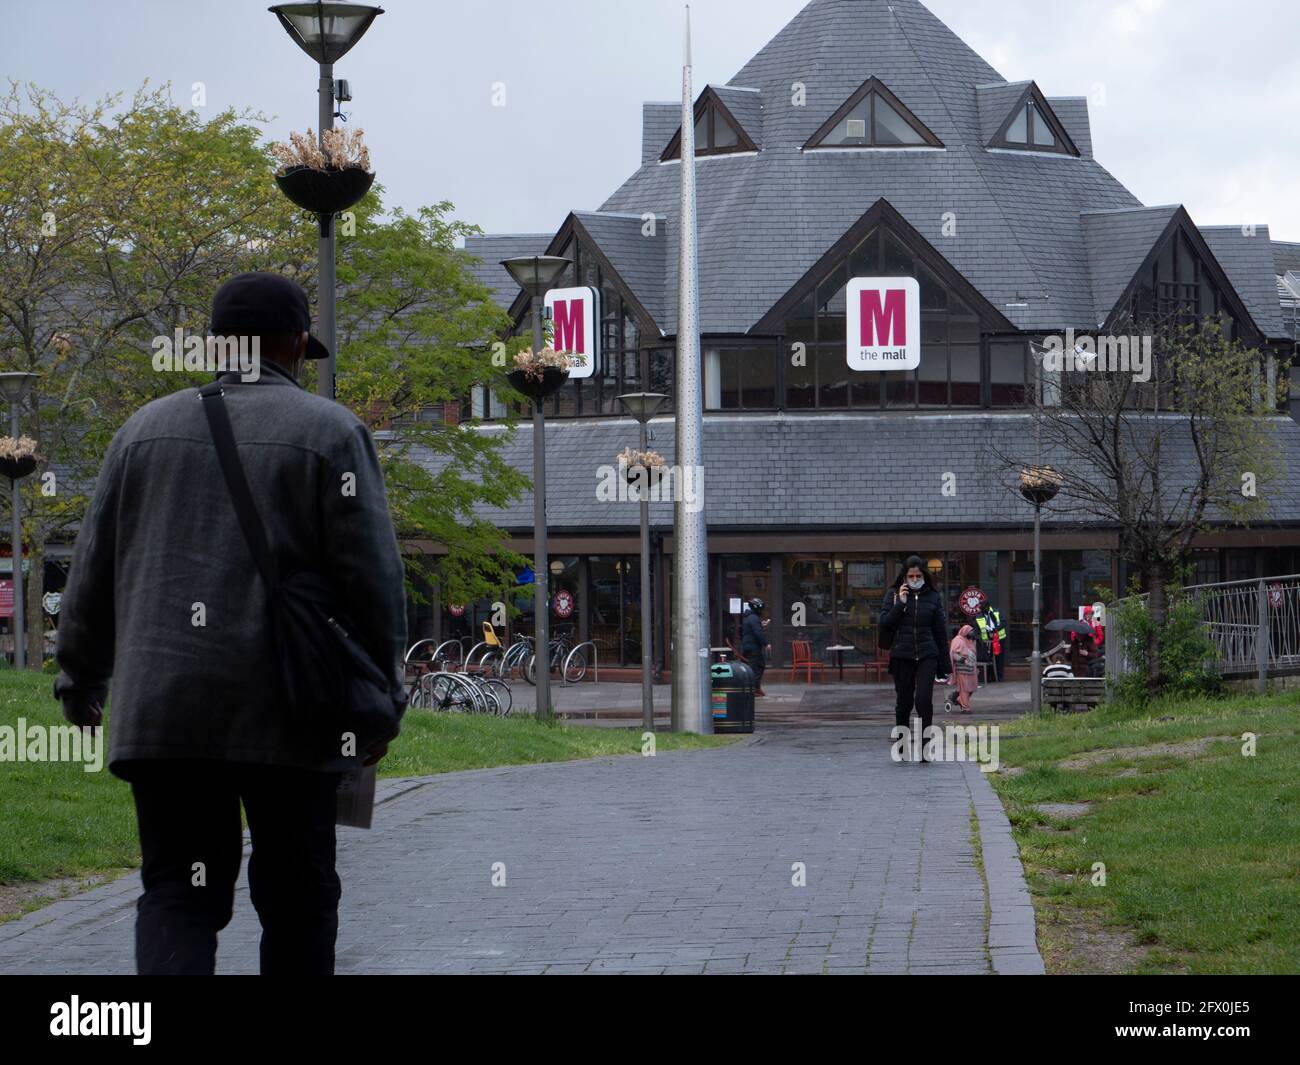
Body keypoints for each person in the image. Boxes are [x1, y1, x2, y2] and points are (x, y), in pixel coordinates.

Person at [53, 273, 408, 976]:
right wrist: (382, 697)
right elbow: (372, 577)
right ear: (299, 344)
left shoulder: (140, 432)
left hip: (166, 712)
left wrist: (80, 676)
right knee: (298, 896)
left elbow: (92, 569)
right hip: (292, 708)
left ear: (214, 345)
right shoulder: (331, 432)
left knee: (177, 894)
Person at [879, 556, 951, 762]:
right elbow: (884, 623)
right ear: (904, 577)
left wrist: (945, 665)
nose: (914, 579)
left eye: (918, 575)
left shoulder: (933, 597)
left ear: (924, 576)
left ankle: (925, 749)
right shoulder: (893, 595)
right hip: (902, 655)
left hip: (928, 654)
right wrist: (900, 604)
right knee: (904, 703)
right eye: (910, 576)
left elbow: (939, 631)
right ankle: (901, 747)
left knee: (924, 700)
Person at [946, 624, 979, 714]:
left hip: (971, 668)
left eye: (972, 631)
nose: (972, 633)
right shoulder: (958, 640)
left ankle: (958, 698)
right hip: (962, 669)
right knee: (964, 689)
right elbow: (953, 653)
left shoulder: (970, 641)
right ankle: (965, 708)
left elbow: (973, 654)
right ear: (965, 631)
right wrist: (961, 659)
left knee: (971, 688)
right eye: (970, 631)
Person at [741, 597, 770, 696]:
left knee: (757, 666)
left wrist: (760, 624)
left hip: (749, 646)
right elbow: (757, 632)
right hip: (752, 647)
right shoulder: (753, 618)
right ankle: (753, 689)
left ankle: (755, 688)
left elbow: (754, 629)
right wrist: (766, 643)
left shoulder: (750, 617)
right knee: (756, 667)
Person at [975, 603, 1007, 682]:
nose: (979, 610)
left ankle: (1000, 677)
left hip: (999, 639)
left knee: (999, 659)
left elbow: (1004, 622)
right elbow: (977, 630)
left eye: (981, 608)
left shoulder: (996, 612)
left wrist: (995, 629)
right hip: (986, 642)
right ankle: (991, 677)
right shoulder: (979, 616)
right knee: (988, 659)